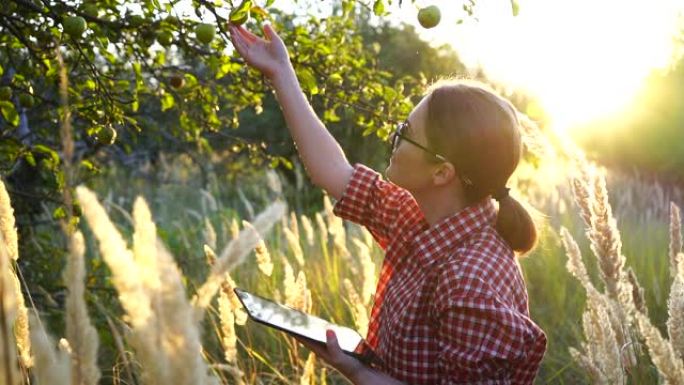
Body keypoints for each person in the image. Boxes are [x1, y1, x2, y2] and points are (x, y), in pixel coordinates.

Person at [228, 22, 547, 385]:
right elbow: (334, 171)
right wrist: (281, 72)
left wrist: (356, 370)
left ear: (442, 173)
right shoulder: (414, 215)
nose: (393, 136)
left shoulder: (470, 281)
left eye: (407, 133)